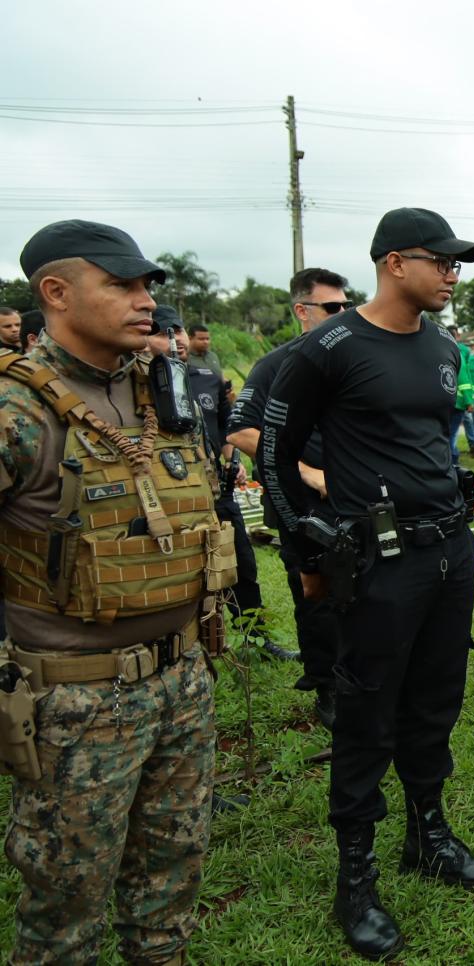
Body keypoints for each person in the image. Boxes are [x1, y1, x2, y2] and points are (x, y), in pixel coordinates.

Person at [261, 208, 474, 960]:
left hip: (448, 552)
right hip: (377, 563)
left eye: (458, 263)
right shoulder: (327, 347)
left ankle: (427, 835)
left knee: (435, 701)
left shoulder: (440, 345)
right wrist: (307, 545)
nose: (453, 275)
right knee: (367, 716)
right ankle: (355, 880)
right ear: (396, 262)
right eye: (443, 262)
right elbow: (274, 455)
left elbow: (430, 438)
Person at [0, 219, 227, 963]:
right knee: (66, 902)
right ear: (56, 292)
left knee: (171, 878)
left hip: (183, 677)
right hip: (77, 702)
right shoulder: (18, 412)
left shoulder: (163, 393)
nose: (144, 302)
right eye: (122, 285)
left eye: (147, 287)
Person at [228, 266, 350, 727]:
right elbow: (242, 430)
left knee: (364, 591)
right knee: (315, 593)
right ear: (302, 311)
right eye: (332, 308)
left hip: (355, 498)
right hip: (302, 502)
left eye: (348, 305)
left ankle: (360, 676)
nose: (344, 314)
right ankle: (326, 686)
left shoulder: (352, 359)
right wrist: (308, 473)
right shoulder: (277, 364)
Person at [146, 312, 284, 664]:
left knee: (242, 563)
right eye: (164, 333)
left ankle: (256, 639)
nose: (175, 340)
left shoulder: (207, 378)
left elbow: (225, 424)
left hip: (216, 489)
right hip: (169, 499)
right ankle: (192, 648)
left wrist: (230, 461)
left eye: (177, 331)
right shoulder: (142, 384)